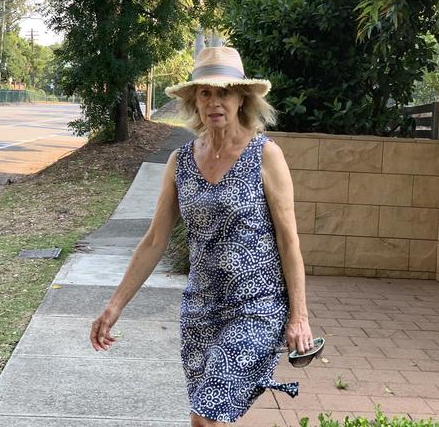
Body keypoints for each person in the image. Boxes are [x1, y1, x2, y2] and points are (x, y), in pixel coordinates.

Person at [90, 46, 314, 426]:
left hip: (256, 307)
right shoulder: (181, 161)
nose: (214, 102)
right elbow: (154, 240)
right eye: (205, 93)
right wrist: (114, 306)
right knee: (205, 419)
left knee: (207, 416)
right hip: (200, 309)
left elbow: (289, 241)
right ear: (194, 99)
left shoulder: (265, 154)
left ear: (242, 97)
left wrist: (299, 316)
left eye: (223, 92)